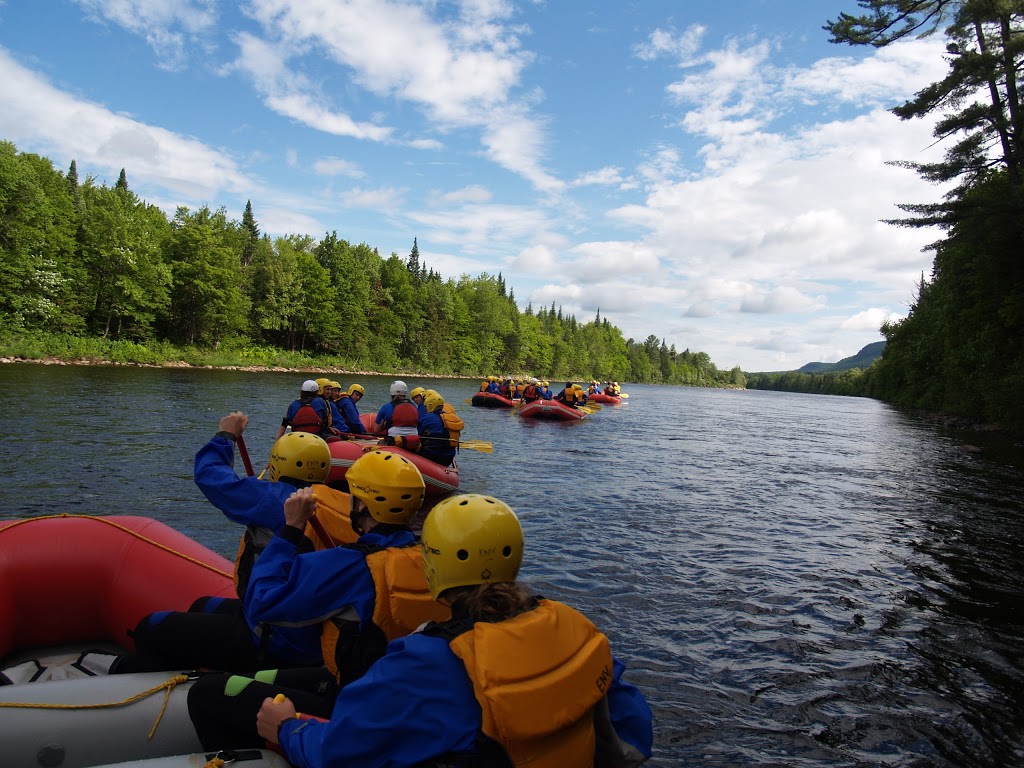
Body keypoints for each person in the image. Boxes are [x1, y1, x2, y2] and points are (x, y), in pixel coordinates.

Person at [256, 493, 654, 767]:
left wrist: (288, 728)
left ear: (434, 563)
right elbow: (633, 735)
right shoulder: (574, 624)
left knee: (222, 698)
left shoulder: (427, 662)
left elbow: (339, 754)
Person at [187, 451, 451, 750]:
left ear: (362, 504)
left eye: (351, 495)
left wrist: (290, 530)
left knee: (206, 694)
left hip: (356, 706)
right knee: (252, 677)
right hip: (399, 698)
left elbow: (262, 602)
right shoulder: (434, 562)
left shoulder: (352, 566)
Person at [110, 417, 345, 675]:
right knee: (201, 606)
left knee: (151, 626)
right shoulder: (341, 505)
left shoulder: (272, 499)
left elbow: (210, 476)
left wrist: (226, 436)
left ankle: (140, 680)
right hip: (305, 628)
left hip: (274, 635)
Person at [418, 391, 463, 466]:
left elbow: (418, 435)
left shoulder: (427, 418)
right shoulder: (452, 418)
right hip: (448, 458)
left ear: (430, 405)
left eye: (426, 407)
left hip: (430, 456)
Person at [374, 380, 419, 450]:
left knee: (380, 443)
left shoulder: (386, 407)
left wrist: (386, 425)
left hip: (394, 441)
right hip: (412, 442)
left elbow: (376, 430)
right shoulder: (414, 406)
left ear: (391, 393)